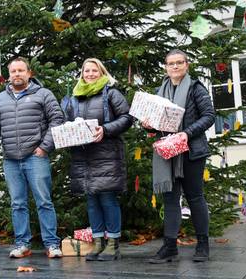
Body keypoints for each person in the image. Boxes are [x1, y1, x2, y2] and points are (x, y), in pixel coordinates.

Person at [0, 57, 64, 258]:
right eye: (13, 71)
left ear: (29, 73)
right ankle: (22, 244)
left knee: (44, 201)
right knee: (17, 203)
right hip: (10, 159)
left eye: (21, 70)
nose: (17, 74)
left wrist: (45, 147)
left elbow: (57, 119)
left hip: (35, 157)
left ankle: (52, 245)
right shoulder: (0, 99)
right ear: (8, 76)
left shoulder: (44, 94)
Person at [142, 49, 215, 263]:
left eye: (179, 62)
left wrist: (187, 133)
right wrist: (148, 125)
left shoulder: (195, 88)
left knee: (195, 197)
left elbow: (209, 116)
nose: (175, 66)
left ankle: (203, 245)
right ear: (166, 67)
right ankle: (170, 247)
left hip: (192, 152)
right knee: (170, 199)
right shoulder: (159, 91)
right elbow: (157, 122)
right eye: (171, 63)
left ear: (187, 65)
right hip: (168, 152)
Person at [62, 58, 132, 261]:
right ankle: (98, 242)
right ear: (82, 74)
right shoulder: (74, 97)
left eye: (94, 71)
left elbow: (127, 117)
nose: (90, 74)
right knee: (91, 199)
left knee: (107, 199)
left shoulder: (111, 93)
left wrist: (106, 129)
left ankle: (113, 244)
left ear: (102, 73)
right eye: (86, 71)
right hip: (83, 155)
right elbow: (65, 121)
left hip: (106, 154)